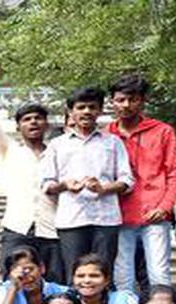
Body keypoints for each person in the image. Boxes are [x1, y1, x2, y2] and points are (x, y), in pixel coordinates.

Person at [0, 60, 62, 282]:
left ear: (46, 125)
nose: (33, 122)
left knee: (54, 283)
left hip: (52, 229)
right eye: (26, 119)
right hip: (17, 227)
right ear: (18, 127)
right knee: (13, 282)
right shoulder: (9, 150)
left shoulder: (59, 152)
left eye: (38, 118)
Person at [40, 86, 133, 276]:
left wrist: (103, 188)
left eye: (92, 107)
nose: (86, 112)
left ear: (99, 111)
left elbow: (127, 180)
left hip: (106, 219)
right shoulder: (57, 145)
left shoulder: (113, 142)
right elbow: (47, 184)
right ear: (71, 112)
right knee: (74, 274)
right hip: (71, 219)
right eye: (81, 107)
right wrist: (65, 185)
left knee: (104, 273)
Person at [107, 73, 176, 295]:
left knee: (159, 274)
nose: (126, 105)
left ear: (143, 101)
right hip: (118, 215)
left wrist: (165, 207)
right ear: (112, 101)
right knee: (122, 276)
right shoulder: (105, 135)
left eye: (133, 99)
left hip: (155, 214)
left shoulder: (162, 131)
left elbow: (175, 173)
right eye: (120, 99)